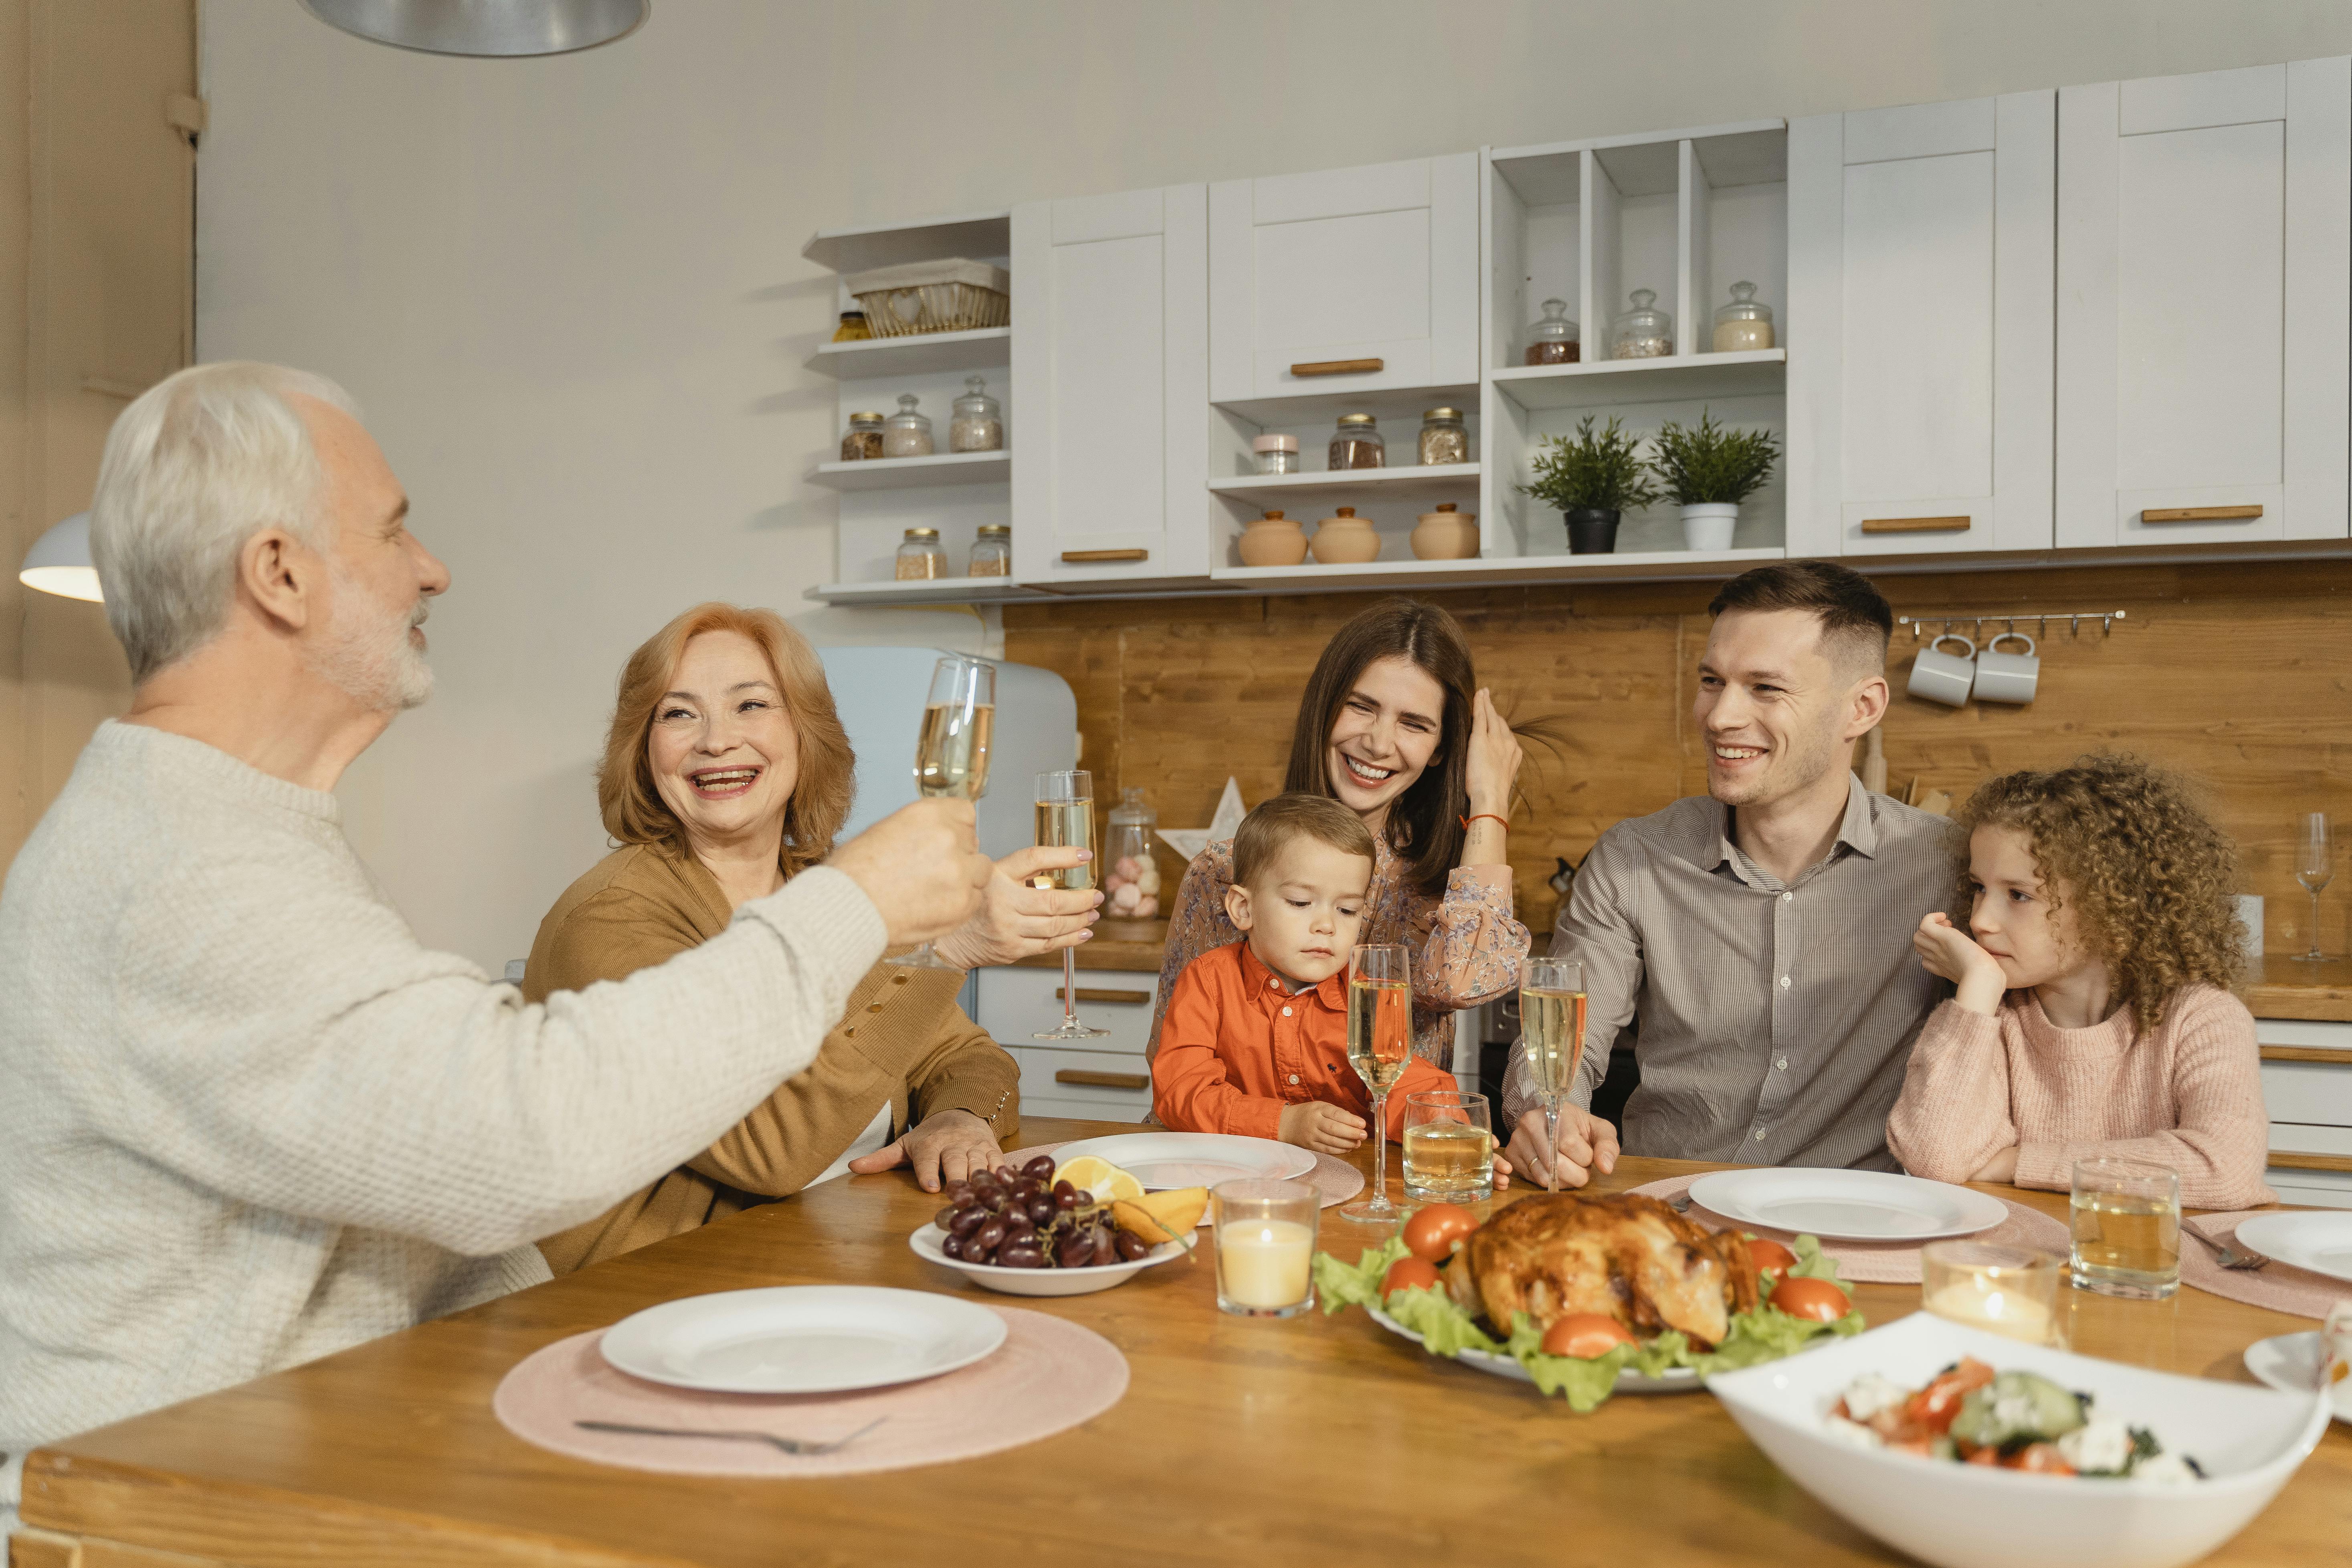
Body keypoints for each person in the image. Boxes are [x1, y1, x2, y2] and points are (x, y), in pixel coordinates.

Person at [0, 363, 991, 1490]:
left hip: (328, 1443)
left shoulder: (235, 834)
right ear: (278, 575)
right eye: (393, 530)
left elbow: (425, 1222)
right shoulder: (182, 870)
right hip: (168, 1504)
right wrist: (859, 904)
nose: (433, 569)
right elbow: (525, 1136)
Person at [524, 602, 1100, 1273]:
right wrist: (946, 950)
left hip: (811, 1261)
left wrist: (955, 1118)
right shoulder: (614, 918)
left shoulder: (825, 885)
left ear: (804, 733)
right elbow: (769, 1150)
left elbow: (968, 1057)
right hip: (640, 1298)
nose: (716, 740)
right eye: (678, 713)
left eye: (751, 705)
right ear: (642, 748)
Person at [1501, 562, 1950, 1186]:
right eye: (1712, 681)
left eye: (1765, 689)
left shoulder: (1947, 868)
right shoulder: (1635, 860)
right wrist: (1549, 1115)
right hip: (1671, 1216)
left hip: (1858, 1224)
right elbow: (1557, 1051)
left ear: (1862, 708)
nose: (1718, 717)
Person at [1151, 598, 1533, 1072]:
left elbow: (1466, 982)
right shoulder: (1224, 872)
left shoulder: (1447, 890)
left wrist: (1489, 801)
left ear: (1439, 751)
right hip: (1238, 1143)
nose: (1377, 742)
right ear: (1325, 708)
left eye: (1414, 724)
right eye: (1361, 707)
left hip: (1383, 1146)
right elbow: (1173, 1066)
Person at [1886, 757, 2272, 1208]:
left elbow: (2224, 1171)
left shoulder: (2203, 1018)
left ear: (2112, 905)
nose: (1980, 919)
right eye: (1978, 888)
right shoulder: (1991, 1015)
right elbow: (1935, 1159)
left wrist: (2017, 1164)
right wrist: (1976, 990)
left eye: (2019, 895)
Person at [1152, 796, 1503, 1177]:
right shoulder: (1208, 982)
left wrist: (1445, 1128)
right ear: (1243, 909)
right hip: (1230, 1174)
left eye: (1347, 910)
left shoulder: (1366, 993)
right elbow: (1181, 1091)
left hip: (1342, 1177)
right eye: (1301, 902)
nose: (1327, 925)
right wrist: (1283, 1123)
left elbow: (1405, 1081)